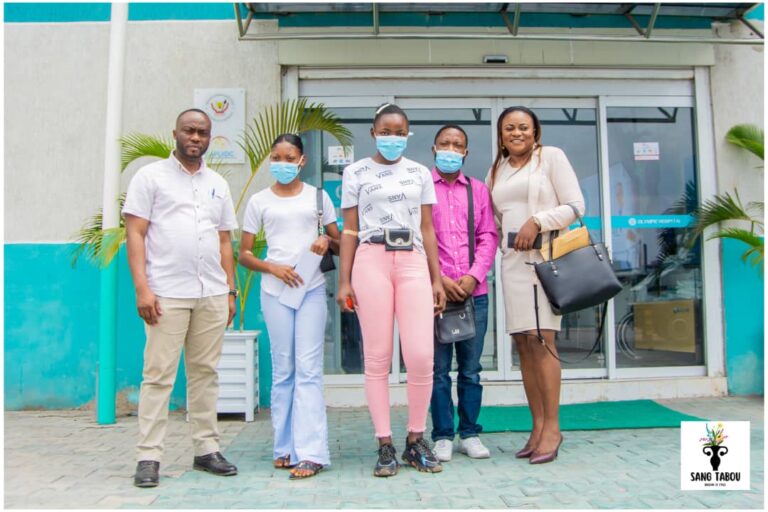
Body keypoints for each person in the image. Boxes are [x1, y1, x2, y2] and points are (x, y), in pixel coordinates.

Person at [123, 108, 239, 488]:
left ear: (209, 137)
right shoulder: (150, 177)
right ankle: (149, 456)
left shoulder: (218, 183)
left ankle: (206, 449)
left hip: (211, 292)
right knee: (158, 376)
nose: (195, 137)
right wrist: (142, 288)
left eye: (202, 132)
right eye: (189, 130)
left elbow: (224, 239)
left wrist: (231, 290)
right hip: (166, 294)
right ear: (175, 133)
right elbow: (136, 233)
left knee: (205, 373)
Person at [336, 103, 447, 477]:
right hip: (371, 260)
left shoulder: (419, 173)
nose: (393, 138)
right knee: (378, 357)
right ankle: (384, 444)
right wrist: (344, 279)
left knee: (419, 355)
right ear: (373, 132)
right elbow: (349, 229)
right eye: (386, 131)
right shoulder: (355, 172)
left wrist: (436, 278)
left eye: (400, 132)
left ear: (408, 134)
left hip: (413, 261)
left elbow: (428, 229)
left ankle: (416, 440)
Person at [486, 106, 585, 465]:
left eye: (523, 127)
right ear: (501, 135)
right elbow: (494, 219)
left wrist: (537, 221)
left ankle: (553, 428)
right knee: (524, 343)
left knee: (544, 340)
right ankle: (537, 426)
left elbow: (576, 206)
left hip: (545, 261)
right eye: (509, 128)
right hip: (512, 263)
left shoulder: (551, 158)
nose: (517, 133)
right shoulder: (495, 169)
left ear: (535, 131)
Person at [238, 134, 340, 480]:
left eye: (290, 157)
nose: (282, 163)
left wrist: (327, 239)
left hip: (311, 289)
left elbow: (338, 241)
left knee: (308, 368)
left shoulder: (318, 197)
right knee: (284, 370)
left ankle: (311, 453)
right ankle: (283, 447)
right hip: (274, 291)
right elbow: (245, 254)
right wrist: (273, 267)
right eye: (277, 157)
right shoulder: (259, 201)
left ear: (302, 160)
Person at [428, 125, 499, 462]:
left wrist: (473, 275)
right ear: (433, 149)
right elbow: (415, 239)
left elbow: (488, 236)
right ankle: (442, 434)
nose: (451, 149)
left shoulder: (478, 190)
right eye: (445, 144)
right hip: (435, 294)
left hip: (475, 293)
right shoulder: (421, 189)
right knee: (438, 370)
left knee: (471, 369)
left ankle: (469, 433)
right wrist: (438, 278)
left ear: (466, 152)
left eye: (458, 145)